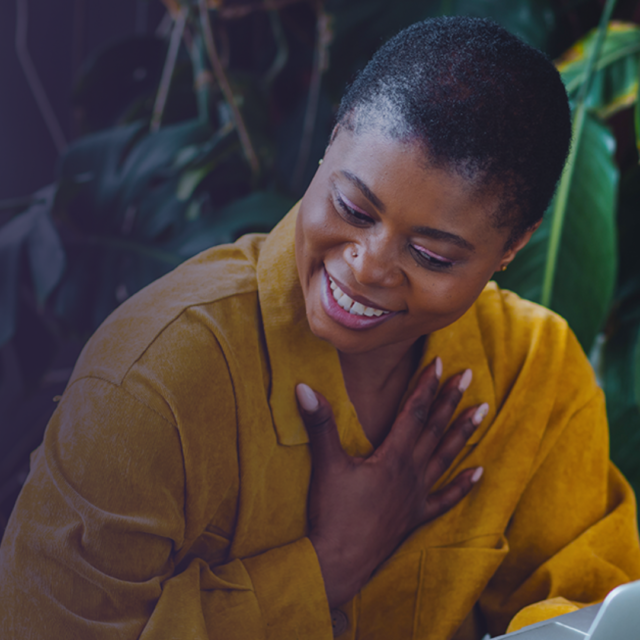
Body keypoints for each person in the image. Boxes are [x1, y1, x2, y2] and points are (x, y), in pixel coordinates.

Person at [1, 15, 639, 640]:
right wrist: (326, 565)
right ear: (333, 140)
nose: (367, 267)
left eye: (431, 256)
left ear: (513, 247)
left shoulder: (534, 370)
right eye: (352, 208)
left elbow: (591, 610)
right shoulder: (151, 379)